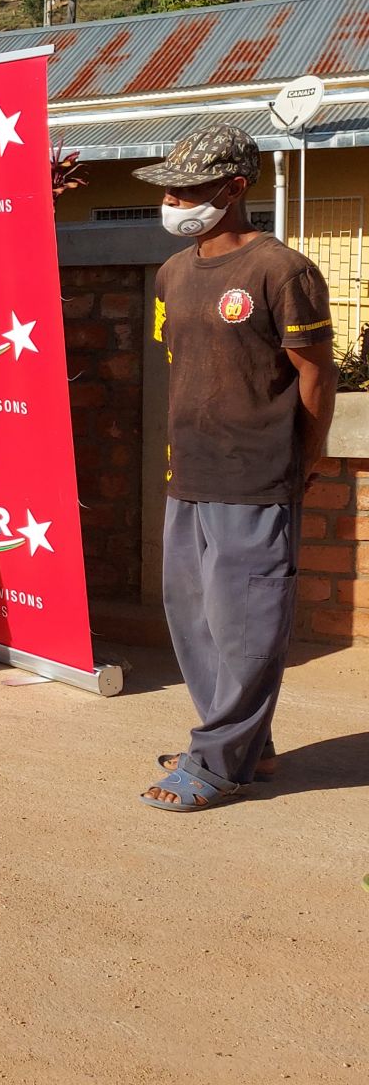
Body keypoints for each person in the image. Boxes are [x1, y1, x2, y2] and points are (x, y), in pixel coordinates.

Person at [138, 126, 337, 812]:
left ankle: (221, 762)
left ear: (234, 188)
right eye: (169, 187)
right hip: (188, 473)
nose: (173, 199)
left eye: (188, 188)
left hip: (255, 476)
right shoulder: (172, 273)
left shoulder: (282, 271)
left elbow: (316, 378)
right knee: (195, 621)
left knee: (248, 622)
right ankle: (249, 742)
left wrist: (302, 462)